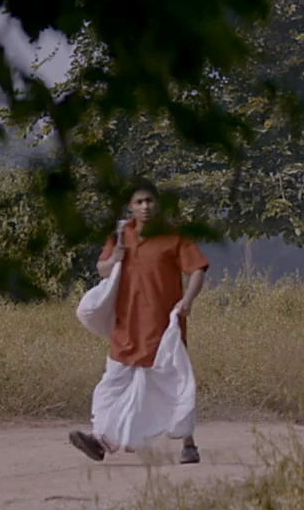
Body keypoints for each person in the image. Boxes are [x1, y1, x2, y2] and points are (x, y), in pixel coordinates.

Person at [69, 185, 209, 464]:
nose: (145, 206)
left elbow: (197, 269)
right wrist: (116, 256)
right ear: (131, 206)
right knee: (114, 383)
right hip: (127, 325)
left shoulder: (174, 235)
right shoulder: (121, 236)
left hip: (162, 326)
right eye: (139, 202)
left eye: (150, 201)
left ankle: (188, 444)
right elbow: (103, 269)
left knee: (172, 382)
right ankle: (100, 440)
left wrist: (188, 301)